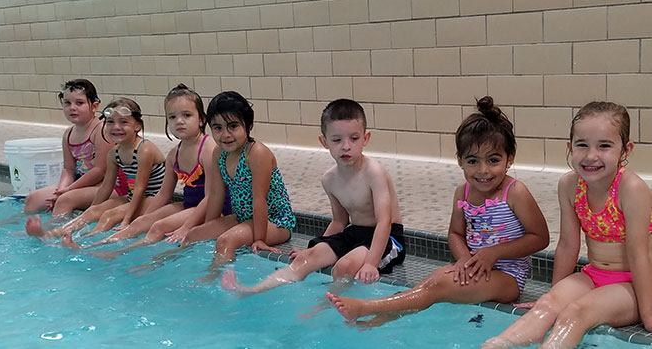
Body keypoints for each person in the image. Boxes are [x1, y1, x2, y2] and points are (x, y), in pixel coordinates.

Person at [322, 96, 549, 326]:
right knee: (429, 283)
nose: (483, 170)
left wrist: (494, 253)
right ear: (460, 160)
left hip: (508, 277)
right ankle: (379, 319)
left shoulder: (515, 192)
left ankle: (366, 308)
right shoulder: (463, 192)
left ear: (509, 159)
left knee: (436, 286)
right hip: (473, 268)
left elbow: (540, 238)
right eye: (473, 161)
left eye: (493, 160)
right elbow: (455, 234)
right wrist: (463, 258)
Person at [482, 101, 652, 348]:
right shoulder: (570, 186)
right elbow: (568, 246)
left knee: (576, 313)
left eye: (604, 146)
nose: (591, 155)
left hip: (634, 283)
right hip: (594, 275)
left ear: (625, 150)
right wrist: (553, 296)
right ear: (570, 147)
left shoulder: (632, 189)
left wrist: (648, 315)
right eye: (582, 145)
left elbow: (640, 255)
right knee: (547, 307)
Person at [219, 98, 407, 295]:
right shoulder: (330, 179)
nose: (345, 146)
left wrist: (370, 263)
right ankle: (251, 290)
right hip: (355, 232)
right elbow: (339, 221)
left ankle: (325, 307)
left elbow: (384, 222)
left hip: (389, 238)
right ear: (324, 142)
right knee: (305, 259)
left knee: (344, 267)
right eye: (337, 140)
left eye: (354, 138)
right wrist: (318, 245)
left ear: (365, 138)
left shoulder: (374, 173)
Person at [67, 84, 229, 255]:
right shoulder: (175, 153)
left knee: (159, 226)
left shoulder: (208, 149)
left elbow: (212, 197)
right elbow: (164, 194)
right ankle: (88, 247)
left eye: (187, 115)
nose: (179, 121)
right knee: (141, 223)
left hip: (211, 209)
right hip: (187, 205)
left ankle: (115, 253)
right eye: (172, 117)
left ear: (202, 119)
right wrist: (143, 218)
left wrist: (186, 226)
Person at [171, 90, 296, 279]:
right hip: (241, 217)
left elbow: (259, 199)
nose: (225, 134)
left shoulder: (256, 153)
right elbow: (216, 195)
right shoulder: (219, 154)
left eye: (233, 126)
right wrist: (208, 227)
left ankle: (211, 282)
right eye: (218, 128)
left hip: (274, 222)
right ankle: (175, 269)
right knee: (193, 235)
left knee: (225, 241)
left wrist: (260, 239)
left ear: (248, 126)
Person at [25, 98, 166, 240]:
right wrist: (92, 209)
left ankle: (85, 244)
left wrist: (126, 221)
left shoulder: (144, 149)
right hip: (131, 197)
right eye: (110, 122)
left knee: (108, 216)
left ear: (137, 126)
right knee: (94, 211)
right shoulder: (115, 153)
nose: (116, 127)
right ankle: (50, 235)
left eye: (124, 122)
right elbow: (106, 187)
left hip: (152, 199)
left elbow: (140, 189)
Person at [22, 79, 116, 216]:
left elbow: (100, 171)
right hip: (82, 183)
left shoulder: (101, 131)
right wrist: (59, 191)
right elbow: (68, 169)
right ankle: (25, 228)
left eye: (80, 103)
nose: (72, 107)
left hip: (106, 186)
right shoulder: (68, 134)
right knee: (33, 198)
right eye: (67, 103)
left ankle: (52, 234)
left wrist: (67, 191)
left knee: (65, 200)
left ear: (94, 106)